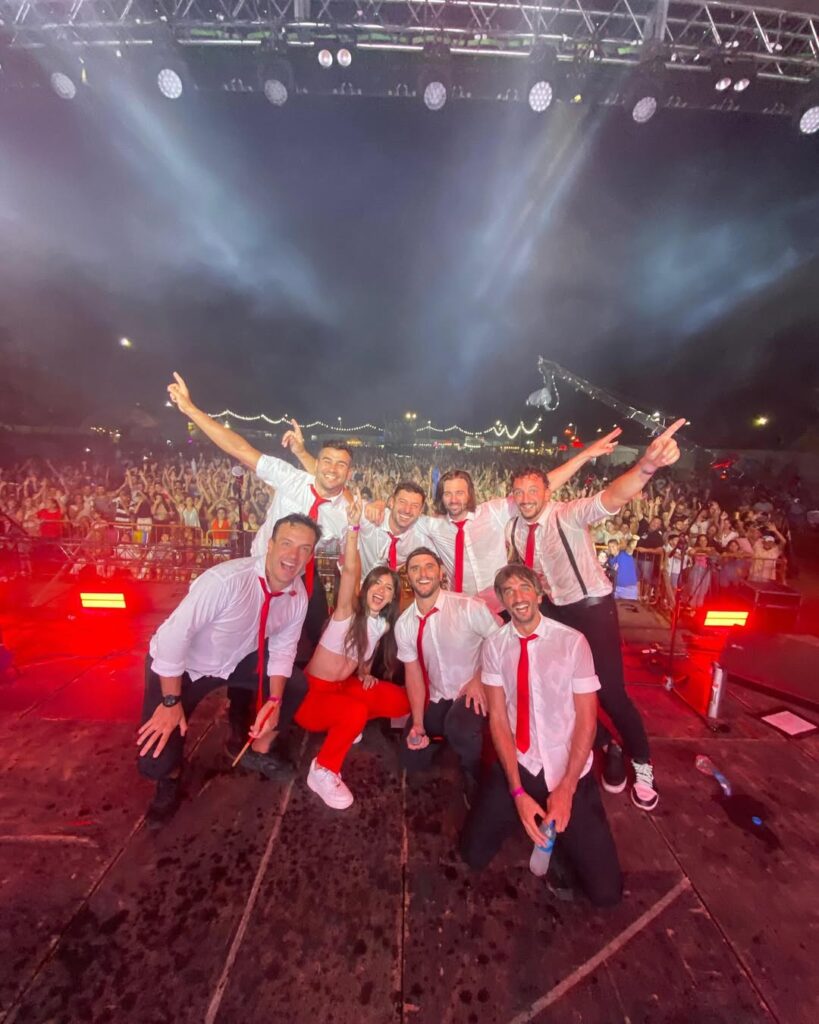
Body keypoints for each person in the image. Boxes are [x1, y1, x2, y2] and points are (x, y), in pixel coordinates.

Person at [504, 419, 686, 812]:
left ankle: (642, 763)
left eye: (533, 490)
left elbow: (612, 496)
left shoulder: (567, 514)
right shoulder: (516, 527)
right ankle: (605, 743)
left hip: (591, 609)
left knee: (611, 693)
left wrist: (646, 467)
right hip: (555, 610)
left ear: (547, 492)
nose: (526, 498)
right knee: (557, 689)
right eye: (519, 492)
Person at [136, 513, 318, 827]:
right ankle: (171, 777)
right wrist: (170, 701)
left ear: (311, 556)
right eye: (287, 544)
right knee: (155, 759)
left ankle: (255, 745)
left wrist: (274, 702)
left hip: (236, 660)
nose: (293, 555)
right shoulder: (226, 581)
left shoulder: (297, 595)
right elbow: (172, 638)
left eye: (304, 549)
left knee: (294, 685)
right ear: (270, 544)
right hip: (183, 666)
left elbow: (283, 650)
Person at [460, 565, 621, 907]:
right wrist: (517, 791)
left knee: (606, 893)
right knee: (471, 854)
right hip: (520, 763)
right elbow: (498, 719)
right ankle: (526, 816)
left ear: (539, 594)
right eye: (508, 591)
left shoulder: (572, 642)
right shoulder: (495, 646)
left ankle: (560, 841)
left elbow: (587, 721)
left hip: (566, 769)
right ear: (502, 601)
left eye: (524, 587)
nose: (517, 596)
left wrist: (567, 788)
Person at [295, 495, 410, 809]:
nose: (381, 591)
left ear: (392, 598)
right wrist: (354, 528)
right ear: (366, 587)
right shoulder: (347, 612)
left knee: (400, 700)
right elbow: (349, 572)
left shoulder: (382, 625)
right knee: (354, 712)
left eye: (388, 588)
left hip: (342, 688)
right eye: (376, 584)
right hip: (312, 697)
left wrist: (364, 673)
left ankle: (347, 727)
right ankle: (323, 769)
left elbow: (365, 655)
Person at [395, 547, 499, 806]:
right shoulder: (405, 624)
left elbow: (501, 645)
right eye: (415, 568)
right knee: (411, 756)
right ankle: (447, 739)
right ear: (408, 576)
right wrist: (417, 722)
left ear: (441, 573)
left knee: (459, 726)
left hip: (473, 690)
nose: (423, 573)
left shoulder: (468, 607)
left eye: (429, 566)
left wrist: (479, 678)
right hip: (439, 694)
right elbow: (413, 674)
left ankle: (473, 774)